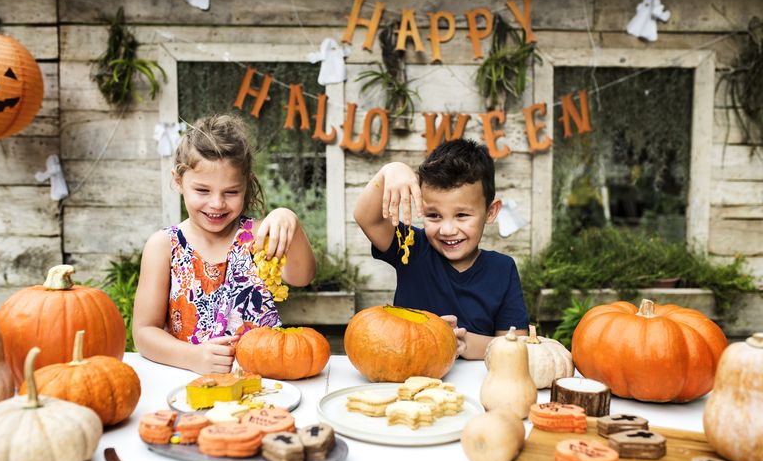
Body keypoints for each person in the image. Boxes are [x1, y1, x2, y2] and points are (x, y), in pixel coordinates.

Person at [133, 114, 316, 374]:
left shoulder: (259, 237)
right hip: (188, 382)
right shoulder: (164, 246)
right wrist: (194, 357)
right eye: (203, 191)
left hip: (262, 383)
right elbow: (144, 332)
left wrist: (290, 221)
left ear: (246, 186)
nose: (217, 203)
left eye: (231, 192)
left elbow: (302, 276)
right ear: (178, 181)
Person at [353, 139, 529, 360]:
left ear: (491, 212)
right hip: (408, 374)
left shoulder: (502, 269)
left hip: (476, 385)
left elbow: (518, 346)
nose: (447, 230)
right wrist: (391, 170)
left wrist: (465, 343)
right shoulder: (411, 247)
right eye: (434, 215)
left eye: (462, 215)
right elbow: (366, 218)